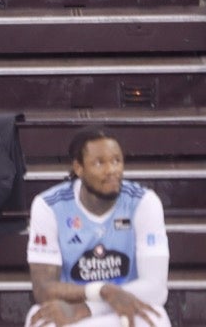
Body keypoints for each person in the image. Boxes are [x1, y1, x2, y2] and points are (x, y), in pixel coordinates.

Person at [25, 128, 173, 327]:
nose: (111, 170)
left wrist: (90, 307)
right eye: (99, 163)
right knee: (41, 320)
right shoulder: (49, 205)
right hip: (70, 304)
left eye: (116, 161)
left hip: (127, 303)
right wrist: (101, 291)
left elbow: (156, 289)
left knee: (154, 319)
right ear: (78, 168)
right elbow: (43, 289)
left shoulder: (143, 202)